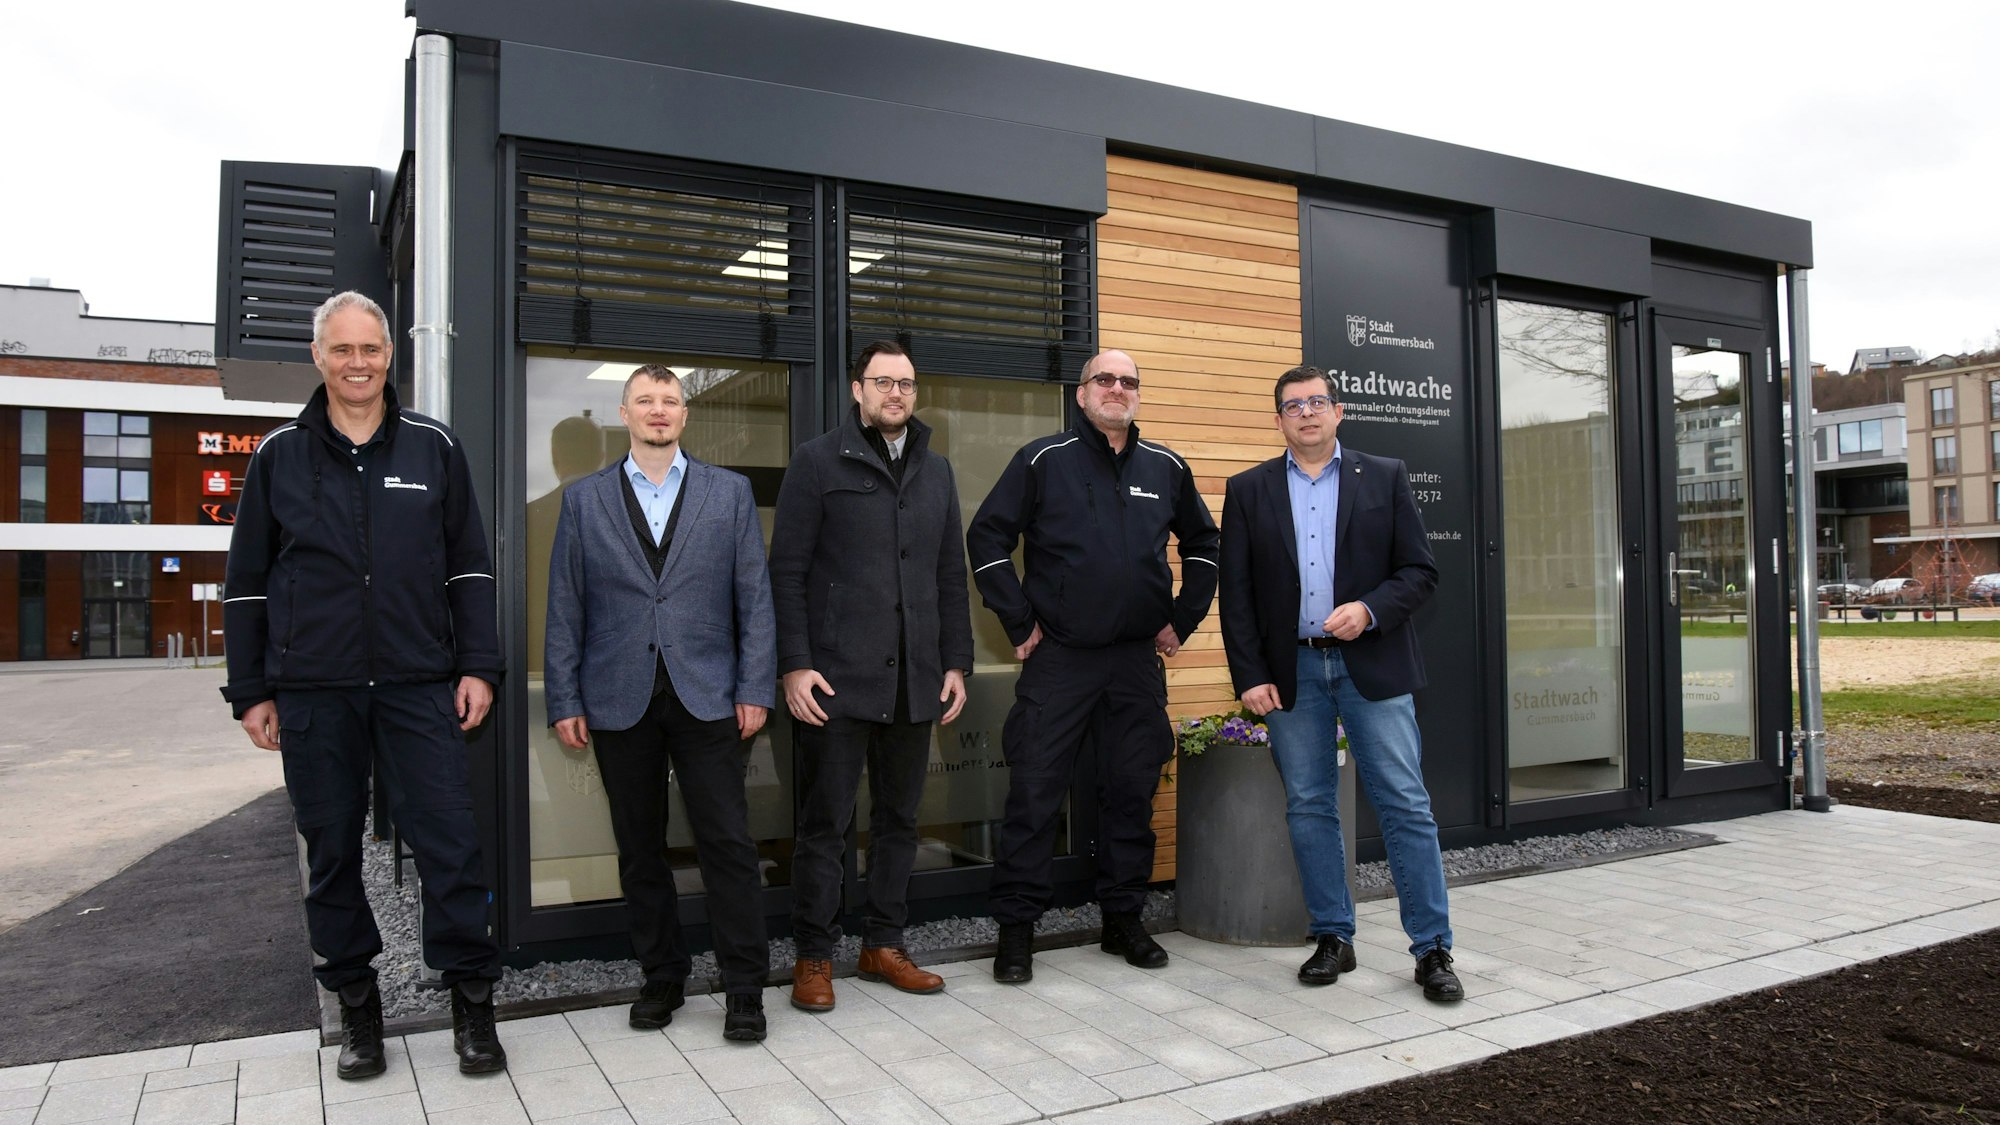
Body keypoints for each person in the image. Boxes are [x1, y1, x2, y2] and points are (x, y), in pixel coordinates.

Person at [220, 290, 507, 1080]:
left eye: (370, 349)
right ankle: (358, 1010)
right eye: (341, 349)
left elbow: (469, 568)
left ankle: (472, 1007)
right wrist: (251, 690)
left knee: (451, 845)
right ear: (318, 356)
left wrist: (478, 664)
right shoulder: (279, 453)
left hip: (419, 685)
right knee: (333, 855)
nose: (357, 363)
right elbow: (244, 582)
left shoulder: (433, 447)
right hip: (315, 692)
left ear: (390, 355)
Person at [966, 349, 1219, 983]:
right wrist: (1020, 622)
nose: (1116, 388)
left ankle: (1122, 920)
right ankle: (1018, 930)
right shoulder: (1043, 459)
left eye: (1128, 381)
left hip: (1136, 663)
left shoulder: (1167, 466)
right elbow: (987, 538)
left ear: (1137, 396)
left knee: (1131, 793)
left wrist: (1182, 619)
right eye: (1103, 379)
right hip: (1061, 662)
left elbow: (1206, 546)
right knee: (1035, 793)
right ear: (1082, 395)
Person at [543, 364, 778, 1042]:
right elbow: (566, 608)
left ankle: (744, 987)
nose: (657, 410)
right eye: (644, 400)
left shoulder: (728, 493)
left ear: (685, 413)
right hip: (618, 696)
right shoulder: (584, 500)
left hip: (710, 696)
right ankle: (662, 976)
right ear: (624, 412)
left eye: (669, 400)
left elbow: (753, 600)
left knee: (727, 844)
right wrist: (566, 694)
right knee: (639, 848)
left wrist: (754, 686)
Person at [1217, 364, 1462, 1002]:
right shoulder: (1248, 490)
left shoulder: (1384, 476)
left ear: (1338, 411)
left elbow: (1419, 571)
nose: (1306, 412)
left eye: (1317, 401)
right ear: (1278, 420)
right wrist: (1250, 675)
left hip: (1371, 663)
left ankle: (1432, 949)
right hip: (1292, 671)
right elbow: (1236, 595)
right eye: (1293, 405)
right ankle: (1333, 936)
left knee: (1404, 803)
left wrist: (1370, 609)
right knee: (1309, 803)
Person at [770, 340, 974, 1012]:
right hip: (835, 681)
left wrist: (955, 662)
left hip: (914, 681)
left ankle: (883, 942)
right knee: (825, 824)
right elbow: (789, 571)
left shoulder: (937, 471)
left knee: (899, 821)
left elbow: (950, 572)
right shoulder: (816, 461)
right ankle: (815, 955)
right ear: (857, 389)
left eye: (907, 384)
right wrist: (796, 664)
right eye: (883, 382)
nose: (896, 394)